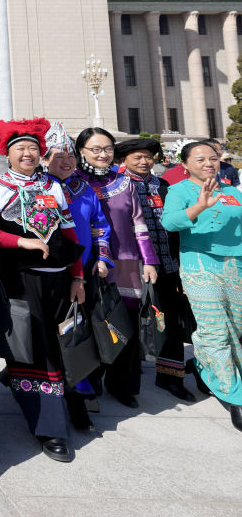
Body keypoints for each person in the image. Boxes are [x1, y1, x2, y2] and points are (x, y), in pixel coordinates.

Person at [0, 118, 85, 462]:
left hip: (59, 279)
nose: (27, 153)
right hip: (22, 279)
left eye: (33, 148)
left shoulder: (52, 185)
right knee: (37, 348)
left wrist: (77, 277)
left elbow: (69, 232)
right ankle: (50, 427)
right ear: (6, 154)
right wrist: (21, 242)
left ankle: (40, 394)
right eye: (20, 148)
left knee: (57, 343)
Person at [74, 127, 159, 409]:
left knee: (125, 324)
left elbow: (139, 223)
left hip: (125, 262)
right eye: (95, 149)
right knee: (91, 323)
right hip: (88, 263)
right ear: (82, 151)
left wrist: (149, 260)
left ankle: (122, 384)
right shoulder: (73, 182)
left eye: (108, 148)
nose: (103, 154)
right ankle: (89, 382)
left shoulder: (124, 182)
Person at [161, 141, 242, 431]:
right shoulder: (179, 191)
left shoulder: (233, 192)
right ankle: (234, 395)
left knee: (237, 328)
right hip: (200, 266)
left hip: (236, 266)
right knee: (215, 329)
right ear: (184, 165)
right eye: (200, 159)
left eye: (213, 158)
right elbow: (169, 223)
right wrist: (199, 206)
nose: (209, 163)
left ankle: (203, 366)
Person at [115, 138, 201, 402]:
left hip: (168, 264)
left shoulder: (163, 186)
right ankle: (123, 381)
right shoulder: (117, 186)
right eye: (137, 157)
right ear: (123, 160)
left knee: (171, 321)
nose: (144, 161)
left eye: (148, 157)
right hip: (132, 266)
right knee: (130, 322)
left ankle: (170, 377)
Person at [41, 122, 112, 423]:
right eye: (59, 156)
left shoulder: (84, 189)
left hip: (82, 272)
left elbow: (100, 226)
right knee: (52, 334)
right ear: (45, 159)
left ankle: (79, 392)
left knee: (77, 332)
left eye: (70, 155)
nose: (67, 161)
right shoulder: (38, 188)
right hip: (49, 274)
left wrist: (102, 258)